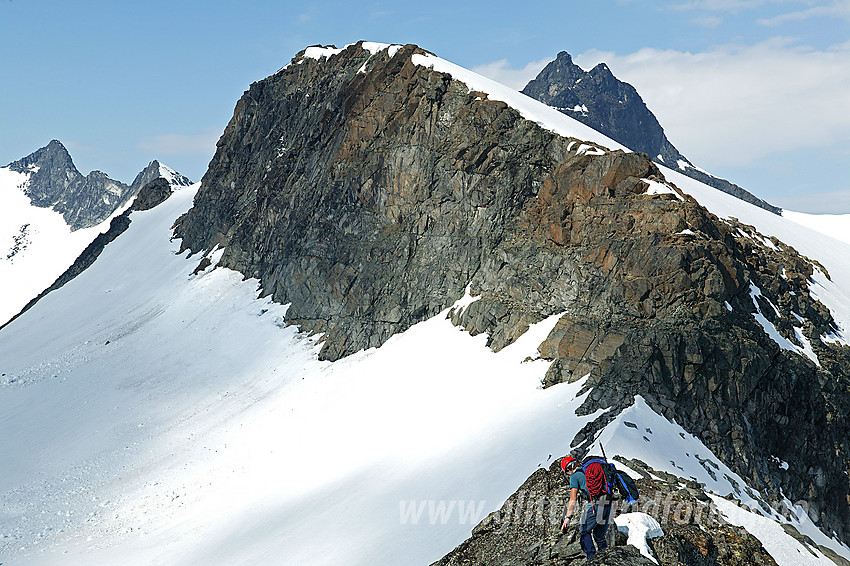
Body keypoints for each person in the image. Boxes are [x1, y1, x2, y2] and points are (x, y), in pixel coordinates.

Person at [559, 456, 614, 561]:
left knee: (584, 532)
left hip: (595, 505)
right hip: (608, 504)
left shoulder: (575, 477)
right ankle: (607, 559)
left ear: (569, 468)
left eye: (567, 471)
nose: (568, 473)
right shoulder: (590, 470)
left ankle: (591, 559)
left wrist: (567, 517)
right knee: (599, 535)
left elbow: (573, 499)